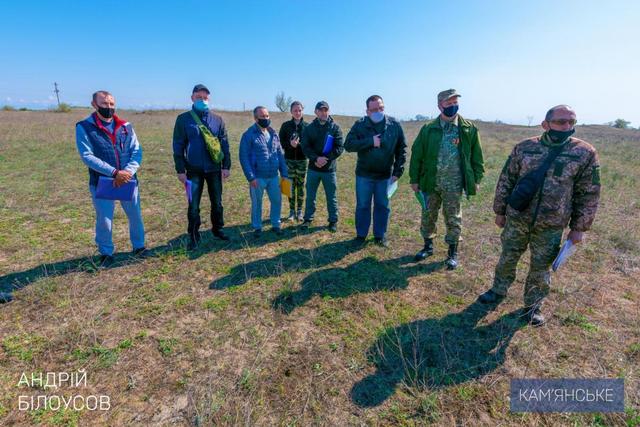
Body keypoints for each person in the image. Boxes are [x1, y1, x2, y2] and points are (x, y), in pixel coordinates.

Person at [478, 105, 601, 326]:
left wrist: (579, 228)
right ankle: (497, 290)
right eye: (561, 122)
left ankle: (533, 306)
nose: (567, 126)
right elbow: (506, 179)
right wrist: (500, 211)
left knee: (541, 267)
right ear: (546, 124)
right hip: (518, 218)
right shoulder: (525, 147)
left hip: (551, 224)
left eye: (571, 122)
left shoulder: (584, 153)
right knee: (508, 257)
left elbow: (589, 193)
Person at [409, 89, 484, 269]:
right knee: (428, 214)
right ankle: (428, 247)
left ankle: (452, 252)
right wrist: (414, 179)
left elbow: (477, 157)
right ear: (440, 106)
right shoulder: (428, 129)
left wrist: (476, 179)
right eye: (448, 103)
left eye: (455, 102)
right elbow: (417, 155)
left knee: (453, 217)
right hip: (431, 182)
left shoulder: (468, 129)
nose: (453, 106)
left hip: (454, 183)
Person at [75, 90, 147, 266]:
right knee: (105, 220)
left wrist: (127, 172)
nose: (109, 107)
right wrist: (114, 173)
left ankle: (139, 246)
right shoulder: (84, 127)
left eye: (111, 104)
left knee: (135, 216)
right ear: (94, 104)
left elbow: (136, 151)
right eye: (104, 103)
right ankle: (106, 253)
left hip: (128, 180)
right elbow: (87, 156)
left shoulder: (126, 126)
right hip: (103, 182)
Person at [172, 84, 231, 250]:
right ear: (192, 98)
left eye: (205, 98)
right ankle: (193, 234)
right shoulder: (183, 119)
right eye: (199, 97)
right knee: (193, 205)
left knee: (217, 202)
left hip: (214, 169)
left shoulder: (217, 119)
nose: (202, 100)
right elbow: (178, 145)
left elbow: (224, 144)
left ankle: (218, 229)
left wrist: (226, 166)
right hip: (193, 170)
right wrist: (180, 169)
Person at [344, 95, 407, 246]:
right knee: (363, 205)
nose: (378, 112)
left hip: (385, 176)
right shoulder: (360, 125)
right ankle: (361, 235)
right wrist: (370, 141)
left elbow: (402, 149)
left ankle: (380, 235)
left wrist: (397, 172)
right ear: (367, 111)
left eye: (381, 108)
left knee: (382, 206)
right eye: (374, 110)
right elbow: (348, 145)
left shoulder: (394, 125)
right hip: (364, 175)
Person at [239, 106, 289, 238]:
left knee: (277, 200)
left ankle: (276, 224)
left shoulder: (273, 134)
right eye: (262, 116)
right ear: (256, 119)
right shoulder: (248, 135)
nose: (266, 118)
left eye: (267, 116)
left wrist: (284, 174)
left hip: (274, 176)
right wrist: (251, 177)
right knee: (257, 203)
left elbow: (280, 155)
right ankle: (257, 227)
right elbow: (244, 157)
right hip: (257, 177)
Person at [300, 101, 344, 232]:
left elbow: (339, 147)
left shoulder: (335, 128)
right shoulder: (309, 128)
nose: (324, 113)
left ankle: (333, 221)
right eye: (321, 110)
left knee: (331, 196)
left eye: (326, 110)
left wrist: (326, 159)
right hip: (313, 168)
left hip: (329, 169)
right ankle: (308, 219)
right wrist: (315, 158)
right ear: (316, 112)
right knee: (310, 196)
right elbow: (305, 146)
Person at [278, 101, 308, 222]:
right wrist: (290, 144)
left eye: (300, 110)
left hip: (302, 161)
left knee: (300, 186)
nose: (297, 113)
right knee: (289, 186)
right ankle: (291, 211)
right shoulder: (285, 126)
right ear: (291, 111)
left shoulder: (307, 127)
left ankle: (299, 211)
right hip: (288, 161)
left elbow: (309, 144)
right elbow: (280, 143)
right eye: (295, 110)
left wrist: (299, 145)